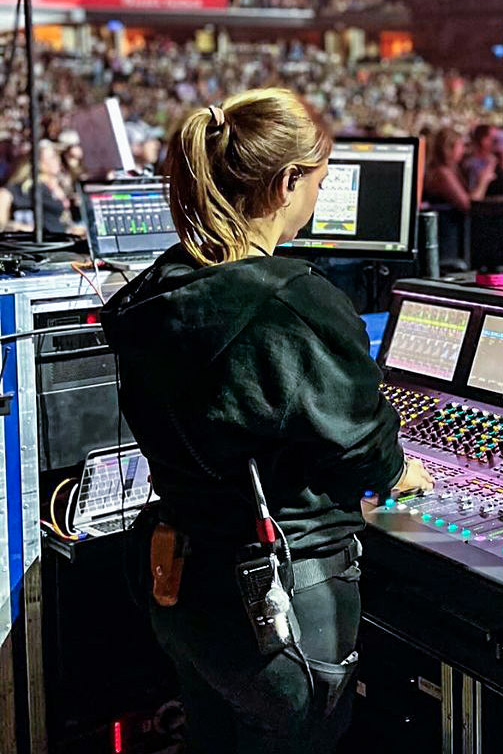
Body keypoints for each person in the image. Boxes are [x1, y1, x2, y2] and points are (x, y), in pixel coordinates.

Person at [100, 89, 432, 754]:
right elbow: (363, 450)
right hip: (279, 607)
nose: (319, 192)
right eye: (320, 177)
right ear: (286, 183)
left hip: (187, 595)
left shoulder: (157, 292)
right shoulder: (292, 300)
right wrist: (402, 469)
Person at [423, 126, 494, 211]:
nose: (463, 150)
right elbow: (468, 205)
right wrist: (483, 181)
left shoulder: (451, 169)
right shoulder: (443, 173)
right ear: (449, 148)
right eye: (460, 146)